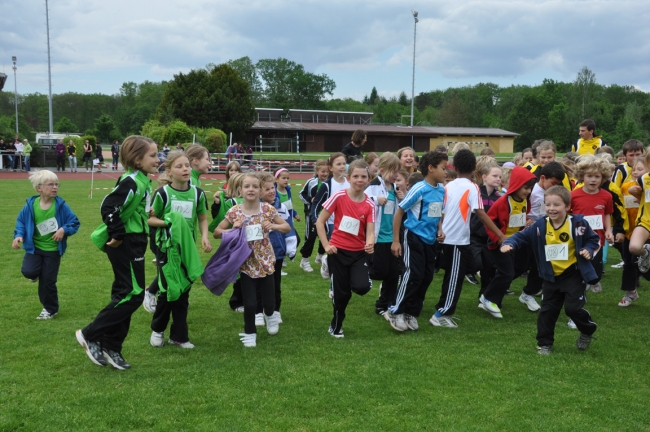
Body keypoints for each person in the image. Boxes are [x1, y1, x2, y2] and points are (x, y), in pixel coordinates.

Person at [75, 135, 159, 370]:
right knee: (133, 294)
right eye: (152, 155)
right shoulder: (132, 180)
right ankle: (90, 334)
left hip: (137, 240)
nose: (157, 158)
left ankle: (112, 346)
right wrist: (118, 234)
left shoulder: (142, 180)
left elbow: (129, 207)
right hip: (127, 243)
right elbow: (108, 206)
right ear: (136, 159)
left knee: (125, 293)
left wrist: (145, 210)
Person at [501, 186, 600, 354]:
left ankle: (587, 329)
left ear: (567, 207)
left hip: (573, 274)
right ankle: (545, 343)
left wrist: (588, 250)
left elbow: (593, 239)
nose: (552, 209)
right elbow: (521, 236)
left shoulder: (578, 223)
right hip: (550, 276)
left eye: (557, 205)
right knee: (547, 311)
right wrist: (509, 243)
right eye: (548, 205)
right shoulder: (540, 226)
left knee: (572, 309)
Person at [430, 149, 507, 328]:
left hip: (450, 238)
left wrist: (440, 230)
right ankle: (440, 314)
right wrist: (500, 234)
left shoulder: (449, 186)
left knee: (457, 273)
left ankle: (443, 310)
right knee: (454, 279)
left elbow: (442, 212)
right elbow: (481, 213)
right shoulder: (472, 187)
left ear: (454, 167)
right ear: (474, 168)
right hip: (456, 240)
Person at [214, 172, 290, 347]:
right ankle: (249, 333)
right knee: (250, 303)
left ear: (261, 190)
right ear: (240, 190)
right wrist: (233, 229)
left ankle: (270, 315)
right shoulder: (234, 212)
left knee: (269, 301)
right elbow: (217, 232)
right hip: (246, 263)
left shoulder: (267, 210)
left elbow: (286, 227)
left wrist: (273, 226)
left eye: (255, 187)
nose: (251, 190)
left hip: (265, 262)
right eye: (247, 186)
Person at [148, 151, 211, 349]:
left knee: (183, 291)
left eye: (187, 165)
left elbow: (202, 218)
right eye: (179, 166)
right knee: (168, 290)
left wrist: (204, 236)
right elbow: (150, 219)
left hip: (187, 249)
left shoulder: (198, 194)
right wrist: (167, 222)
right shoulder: (162, 194)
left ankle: (179, 336)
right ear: (169, 171)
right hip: (166, 249)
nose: (185, 169)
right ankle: (157, 330)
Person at [383, 151, 447, 331]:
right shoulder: (419, 189)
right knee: (413, 274)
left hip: (430, 240)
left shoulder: (441, 190)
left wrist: (440, 229)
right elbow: (399, 212)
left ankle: (411, 312)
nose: (446, 172)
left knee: (426, 277)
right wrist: (396, 241)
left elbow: (437, 212)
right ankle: (394, 310)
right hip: (413, 237)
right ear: (431, 168)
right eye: (443, 168)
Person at [316, 159, 375, 338]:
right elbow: (319, 221)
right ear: (348, 178)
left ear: (368, 179)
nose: (359, 180)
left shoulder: (369, 204)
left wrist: (370, 242)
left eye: (363, 177)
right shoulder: (339, 197)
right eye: (355, 176)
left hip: (358, 254)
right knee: (341, 295)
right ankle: (336, 325)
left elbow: (370, 231)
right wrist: (326, 245)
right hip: (338, 252)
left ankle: (343, 281)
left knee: (362, 287)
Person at [12, 170, 80, 319]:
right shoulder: (31, 205)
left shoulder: (61, 206)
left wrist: (63, 229)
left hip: (53, 250)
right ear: (39, 188)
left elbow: (74, 222)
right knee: (28, 272)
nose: (55, 187)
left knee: (48, 282)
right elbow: (21, 222)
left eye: (57, 184)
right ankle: (35, 274)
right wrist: (18, 235)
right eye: (51, 184)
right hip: (34, 248)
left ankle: (50, 309)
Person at [478, 167, 537, 318]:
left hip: (517, 242)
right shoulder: (503, 202)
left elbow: (519, 218)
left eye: (530, 188)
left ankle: (489, 297)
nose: (528, 191)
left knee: (520, 267)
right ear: (516, 185)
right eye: (525, 187)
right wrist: (498, 239)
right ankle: (489, 298)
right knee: (506, 272)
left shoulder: (525, 201)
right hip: (501, 243)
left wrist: (526, 224)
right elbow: (489, 221)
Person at [571, 154, 616, 294]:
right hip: (578, 238)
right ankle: (579, 289)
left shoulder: (607, 196)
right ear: (582, 176)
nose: (593, 180)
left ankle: (592, 281)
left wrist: (608, 230)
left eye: (597, 176)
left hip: (597, 239)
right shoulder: (573, 195)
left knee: (596, 269)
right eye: (589, 176)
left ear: (602, 177)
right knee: (578, 267)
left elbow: (607, 213)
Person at [364, 152, 402, 316]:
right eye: (393, 171)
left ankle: (385, 304)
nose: (396, 175)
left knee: (394, 273)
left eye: (397, 172)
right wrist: (374, 199)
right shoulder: (373, 185)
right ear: (383, 169)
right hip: (378, 237)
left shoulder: (395, 188)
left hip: (392, 237)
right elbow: (362, 201)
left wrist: (403, 198)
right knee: (379, 271)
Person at [260, 172, 296, 324]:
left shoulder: (280, 206)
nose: (272, 191)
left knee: (276, 284)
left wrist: (290, 244)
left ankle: (275, 311)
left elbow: (289, 226)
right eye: (267, 189)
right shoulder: (255, 208)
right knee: (260, 284)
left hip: (277, 253)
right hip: (260, 254)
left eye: (272, 188)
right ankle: (259, 311)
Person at [311, 153, 350, 281]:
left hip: (350, 223)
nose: (342, 166)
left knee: (346, 251)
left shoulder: (350, 183)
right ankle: (334, 281)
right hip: (332, 223)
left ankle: (327, 261)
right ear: (330, 168)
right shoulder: (327, 185)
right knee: (337, 251)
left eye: (344, 163)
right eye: (338, 164)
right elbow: (316, 203)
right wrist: (315, 219)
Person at [467, 158, 502, 289]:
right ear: (484, 177)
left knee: (489, 269)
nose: (498, 179)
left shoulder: (499, 198)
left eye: (499, 176)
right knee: (476, 264)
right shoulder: (475, 193)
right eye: (494, 176)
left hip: (489, 239)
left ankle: (484, 297)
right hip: (474, 236)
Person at [618, 156, 646, 307]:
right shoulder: (625, 187)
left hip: (645, 230)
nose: (636, 172)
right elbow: (622, 209)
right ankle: (631, 292)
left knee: (643, 263)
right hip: (629, 231)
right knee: (628, 263)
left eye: (640, 169)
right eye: (634, 169)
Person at [298, 160, 329, 272]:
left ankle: (320, 256)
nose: (325, 174)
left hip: (326, 215)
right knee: (310, 237)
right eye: (322, 171)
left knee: (325, 236)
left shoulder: (330, 183)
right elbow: (301, 194)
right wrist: (309, 201)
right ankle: (304, 260)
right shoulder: (311, 182)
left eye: (327, 171)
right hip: (312, 215)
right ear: (317, 171)